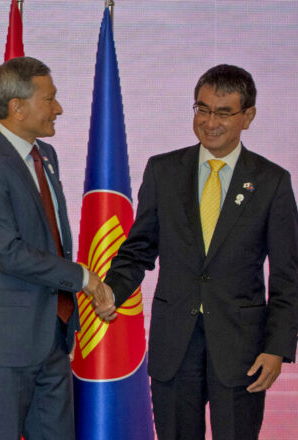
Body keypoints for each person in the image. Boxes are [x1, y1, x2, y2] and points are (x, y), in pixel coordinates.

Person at [104, 64, 298, 440]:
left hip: (242, 350)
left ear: (248, 116)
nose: (210, 122)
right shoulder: (163, 170)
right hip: (174, 343)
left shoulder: (272, 181)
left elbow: (288, 275)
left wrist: (277, 348)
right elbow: (139, 248)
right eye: (202, 109)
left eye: (223, 113)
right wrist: (111, 289)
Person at [0, 56, 115, 440]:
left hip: (52, 338)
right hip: (2, 347)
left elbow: (52, 241)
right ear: (17, 107)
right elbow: (9, 253)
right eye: (50, 99)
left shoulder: (46, 156)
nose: (58, 108)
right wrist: (84, 279)